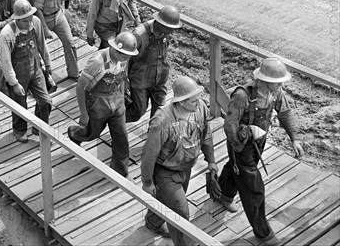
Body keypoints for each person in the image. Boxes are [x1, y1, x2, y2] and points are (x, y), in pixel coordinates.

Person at [217, 57, 303, 246]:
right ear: (263, 80)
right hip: (241, 144)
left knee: (235, 169)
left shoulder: (276, 93)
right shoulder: (242, 96)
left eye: (280, 82)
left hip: (258, 143)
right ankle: (263, 233)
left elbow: (285, 113)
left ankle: (223, 194)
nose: (280, 85)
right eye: (276, 82)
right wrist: (239, 148)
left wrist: (294, 139)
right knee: (254, 189)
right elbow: (230, 125)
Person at [141, 76, 217, 243]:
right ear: (181, 102)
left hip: (185, 168)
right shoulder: (162, 121)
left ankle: (153, 222)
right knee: (180, 215)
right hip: (165, 173)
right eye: (193, 101)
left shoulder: (200, 108)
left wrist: (211, 160)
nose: (198, 104)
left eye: (198, 99)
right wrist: (147, 182)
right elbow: (149, 154)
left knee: (165, 199)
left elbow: (206, 135)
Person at [67, 32, 138, 177]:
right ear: (114, 48)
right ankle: (75, 133)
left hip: (117, 101)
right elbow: (81, 87)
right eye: (122, 54)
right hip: (97, 103)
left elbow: (122, 77)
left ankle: (119, 173)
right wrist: (84, 113)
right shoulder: (97, 61)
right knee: (93, 133)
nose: (125, 57)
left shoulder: (125, 58)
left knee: (121, 138)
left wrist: (122, 100)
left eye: (128, 55)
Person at [0, 0, 52, 143]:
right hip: (17, 73)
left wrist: (47, 64)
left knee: (45, 101)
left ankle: (39, 127)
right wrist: (14, 83)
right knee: (19, 104)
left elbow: (42, 44)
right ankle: (19, 130)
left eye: (30, 19)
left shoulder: (36, 22)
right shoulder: (7, 34)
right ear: (16, 19)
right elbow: (5, 61)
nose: (29, 23)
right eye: (25, 21)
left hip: (35, 68)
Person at [127, 5, 182, 123]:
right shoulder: (140, 35)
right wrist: (124, 82)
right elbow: (126, 58)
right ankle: (115, 121)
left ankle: (154, 137)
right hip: (140, 79)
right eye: (170, 28)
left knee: (160, 111)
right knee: (139, 111)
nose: (172, 31)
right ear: (161, 24)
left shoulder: (165, 33)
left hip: (160, 77)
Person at [34, 0, 78, 80]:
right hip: (45, 19)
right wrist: (45, 29)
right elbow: (38, 9)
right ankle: (44, 77)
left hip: (58, 16)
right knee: (41, 49)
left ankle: (74, 74)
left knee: (70, 44)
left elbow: (62, 0)